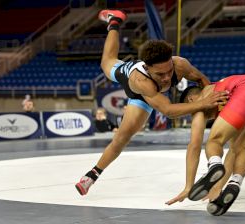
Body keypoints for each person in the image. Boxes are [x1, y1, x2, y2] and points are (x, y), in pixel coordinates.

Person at [75, 9, 229, 196]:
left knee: (123, 137)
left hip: (152, 94)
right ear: (148, 68)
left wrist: (211, 105)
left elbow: (203, 81)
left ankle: (92, 174)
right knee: (107, 63)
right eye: (160, 74)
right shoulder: (140, 80)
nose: (166, 78)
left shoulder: (180, 64)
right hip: (136, 87)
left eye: (168, 71)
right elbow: (168, 110)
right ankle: (114, 21)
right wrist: (203, 104)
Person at [166, 73, 245, 216]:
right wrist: (218, 187)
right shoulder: (228, 95)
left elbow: (194, 145)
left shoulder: (202, 99)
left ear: (191, 99)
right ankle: (235, 183)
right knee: (241, 148)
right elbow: (233, 151)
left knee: (214, 141)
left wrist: (189, 187)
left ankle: (214, 164)